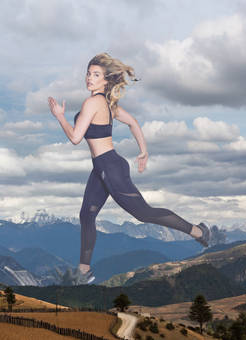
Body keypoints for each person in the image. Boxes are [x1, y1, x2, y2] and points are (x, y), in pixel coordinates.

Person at [48, 53, 212, 286]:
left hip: (110, 167)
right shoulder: (107, 103)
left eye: (96, 75)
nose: (89, 78)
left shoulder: (93, 102)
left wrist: (60, 117)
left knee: (143, 213)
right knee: (87, 214)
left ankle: (197, 231)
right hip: (102, 167)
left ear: (106, 80)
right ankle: (84, 271)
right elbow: (134, 122)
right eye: (88, 73)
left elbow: (75, 137)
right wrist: (143, 151)